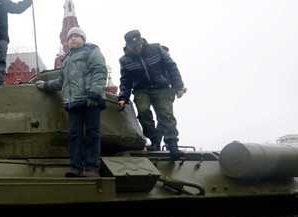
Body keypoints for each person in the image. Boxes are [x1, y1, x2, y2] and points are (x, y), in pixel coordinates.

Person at [36, 27, 108, 177]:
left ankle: (91, 168)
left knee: (92, 134)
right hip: (73, 102)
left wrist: (94, 94)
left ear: (83, 38)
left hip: (90, 100)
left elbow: (100, 71)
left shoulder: (91, 50)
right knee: (74, 135)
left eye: (76, 36)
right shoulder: (67, 58)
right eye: (70, 38)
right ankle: (75, 166)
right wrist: (45, 85)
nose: (72, 39)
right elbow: (62, 81)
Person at [117, 30, 188, 160]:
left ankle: (173, 145)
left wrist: (178, 86)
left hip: (161, 86)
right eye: (133, 47)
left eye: (138, 45)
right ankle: (154, 136)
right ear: (127, 46)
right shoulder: (124, 60)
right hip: (141, 89)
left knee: (166, 115)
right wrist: (123, 97)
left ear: (141, 41)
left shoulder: (155, 48)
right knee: (143, 112)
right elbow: (125, 80)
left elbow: (171, 66)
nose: (137, 48)